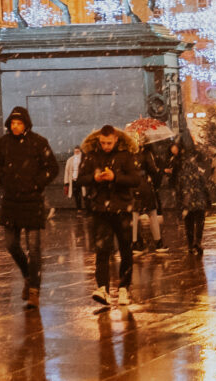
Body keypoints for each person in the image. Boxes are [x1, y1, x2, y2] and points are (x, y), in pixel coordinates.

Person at [0, 105, 60, 302]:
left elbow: (52, 167)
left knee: (34, 248)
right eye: (12, 123)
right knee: (11, 244)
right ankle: (28, 275)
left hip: (32, 201)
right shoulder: (4, 143)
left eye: (19, 123)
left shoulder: (38, 142)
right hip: (11, 200)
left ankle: (34, 291)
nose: (15, 126)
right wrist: (3, 180)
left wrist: (36, 183)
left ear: (26, 124)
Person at [78, 125, 144, 309]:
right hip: (100, 209)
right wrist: (95, 177)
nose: (106, 146)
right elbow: (80, 179)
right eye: (103, 142)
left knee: (125, 250)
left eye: (109, 142)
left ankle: (123, 288)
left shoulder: (126, 155)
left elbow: (136, 179)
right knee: (102, 251)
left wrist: (115, 177)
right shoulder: (91, 155)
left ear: (115, 139)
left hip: (122, 208)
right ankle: (102, 289)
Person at [176, 136, 216, 257]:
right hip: (199, 201)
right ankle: (198, 242)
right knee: (199, 223)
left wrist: (180, 203)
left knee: (188, 224)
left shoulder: (181, 173)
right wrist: (208, 200)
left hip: (187, 202)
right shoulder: (197, 171)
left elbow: (179, 189)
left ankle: (190, 245)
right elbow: (204, 186)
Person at [136, 138, 176, 251]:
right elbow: (153, 169)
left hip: (134, 187)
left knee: (134, 216)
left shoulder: (131, 153)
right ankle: (158, 242)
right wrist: (161, 170)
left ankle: (135, 243)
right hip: (145, 186)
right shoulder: (147, 153)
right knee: (152, 214)